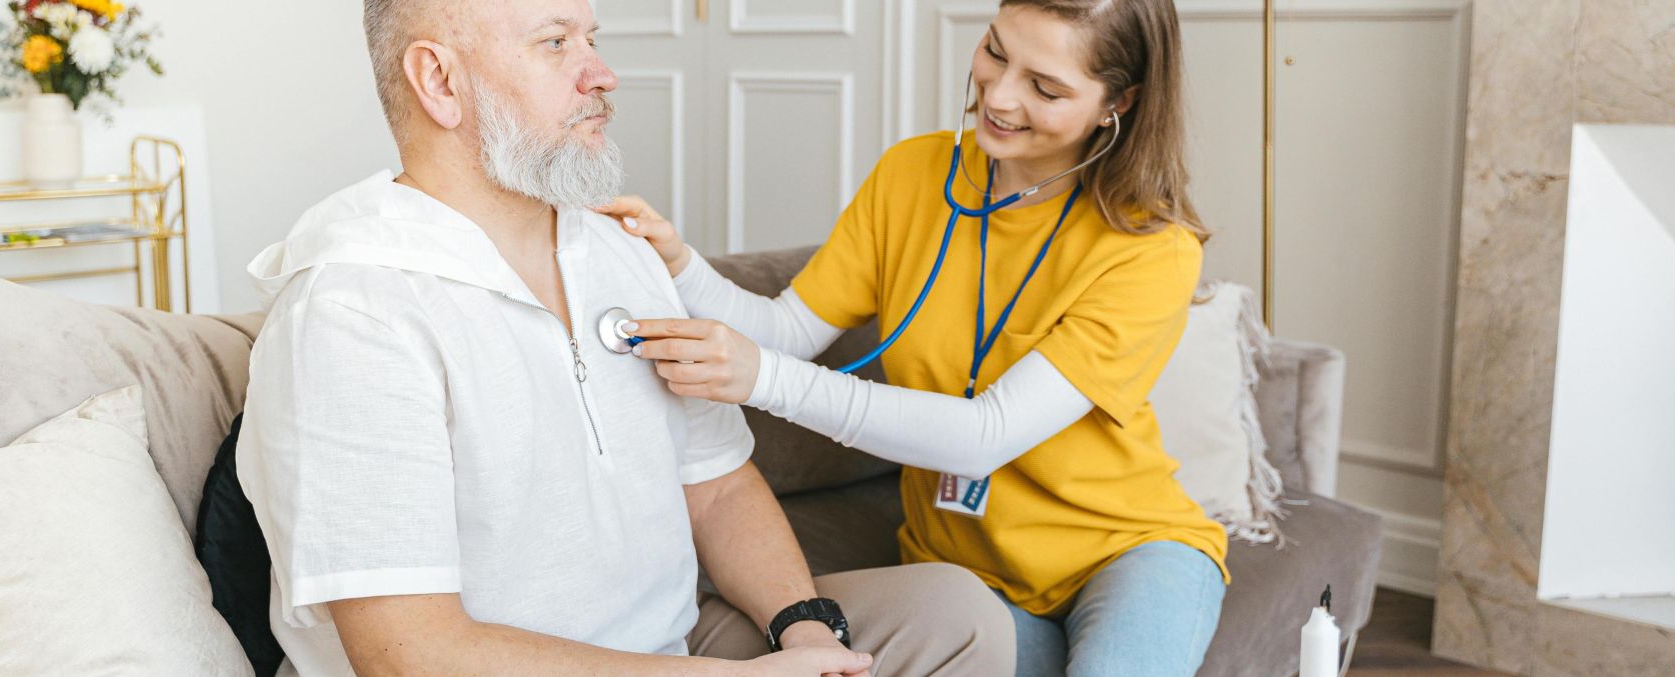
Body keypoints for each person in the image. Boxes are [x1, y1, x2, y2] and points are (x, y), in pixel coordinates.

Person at [235, 0, 1014, 674]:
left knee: (955, 615)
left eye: (592, 37)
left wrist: (803, 628)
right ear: (440, 81)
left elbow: (716, 487)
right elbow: (411, 654)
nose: (602, 73)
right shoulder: (352, 311)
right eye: (555, 43)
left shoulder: (616, 250)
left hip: (677, 642)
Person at [601, 1, 1226, 675]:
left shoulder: (1151, 250)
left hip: (1125, 550)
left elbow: (985, 435)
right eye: (995, 50)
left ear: (1118, 103)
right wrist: (680, 264)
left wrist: (763, 378)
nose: (1001, 95)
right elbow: (787, 330)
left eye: (1045, 88)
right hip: (961, 567)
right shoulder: (913, 173)